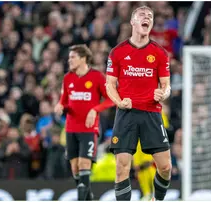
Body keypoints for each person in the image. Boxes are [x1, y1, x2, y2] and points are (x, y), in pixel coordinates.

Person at [105, 6, 172, 201]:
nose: (147, 18)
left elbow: (166, 85)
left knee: (165, 167)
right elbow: (109, 84)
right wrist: (119, 102)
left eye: (150, 16)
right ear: (133, 22)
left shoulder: (159, 53)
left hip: (151, 113)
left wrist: (164, 93)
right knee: (121, 167)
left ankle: (157, 199)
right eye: (142, 15)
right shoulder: (118, 52)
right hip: (127, 113)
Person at [54, 44, 114, 200]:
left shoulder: (96, 77)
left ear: (83, 58)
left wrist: (95, 110)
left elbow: (110, 99)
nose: (69, 60)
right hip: (70, 128)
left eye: (73, 57)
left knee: (84, 164)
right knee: (75, 167)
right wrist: (61, 107)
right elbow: (64, 101)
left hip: (88, 129)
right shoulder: (68, 78)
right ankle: (89, 198)